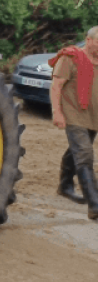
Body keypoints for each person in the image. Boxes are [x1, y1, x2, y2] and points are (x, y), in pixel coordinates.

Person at [50, 27, 98, 220]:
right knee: (85, 155)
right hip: (74, 115)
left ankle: (64, 186)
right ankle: (94, 204)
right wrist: (57, 112)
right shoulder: (70, 58)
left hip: (94, 117)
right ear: (88, 40)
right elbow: (56, 86)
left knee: (76, 150)